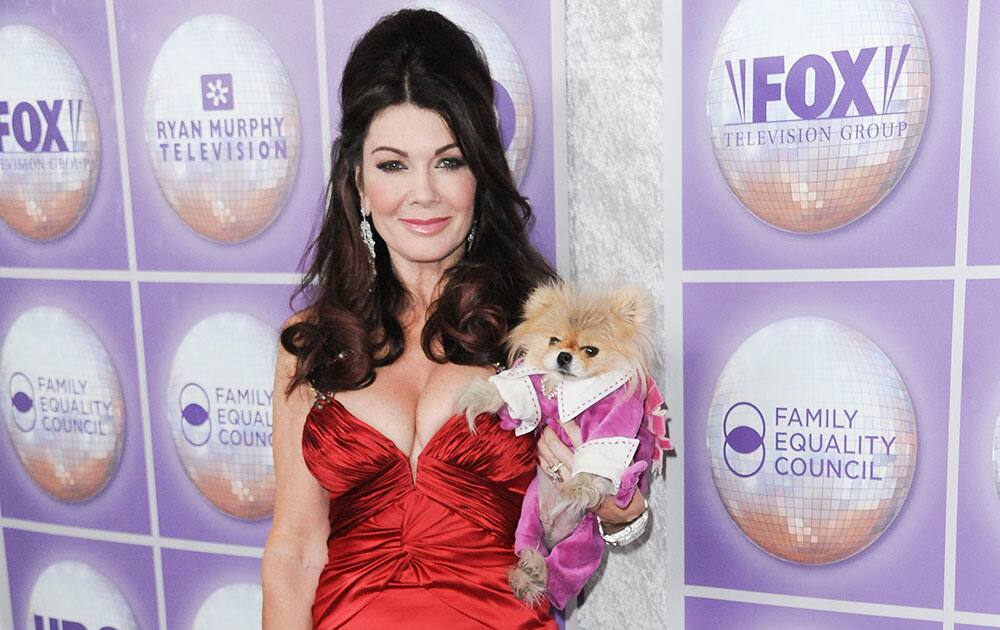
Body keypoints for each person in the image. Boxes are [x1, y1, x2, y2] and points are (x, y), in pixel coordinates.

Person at [261, 9, 647, 629]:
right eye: (393, 165)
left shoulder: (541, 335)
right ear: (357, 181)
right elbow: (294, 553)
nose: (423, 194)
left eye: (448, 161)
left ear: (480, 174)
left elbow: (611, 484)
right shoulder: (311, 344)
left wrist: (616, 506)